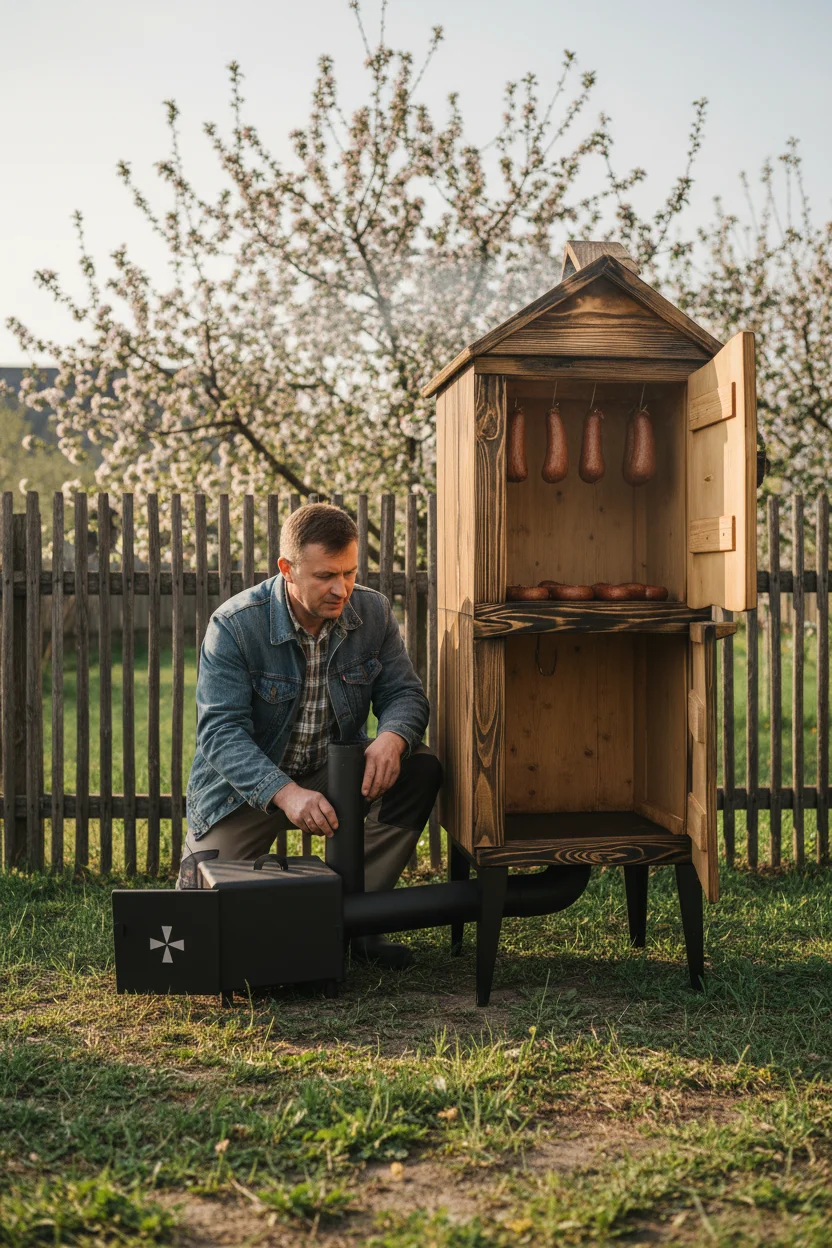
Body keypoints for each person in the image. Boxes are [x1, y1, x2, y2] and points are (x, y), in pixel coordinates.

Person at [177, 502, 443, 969]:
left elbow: (405, 693)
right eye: (325, 576)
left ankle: (356, 925)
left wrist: (393, 738)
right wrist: (285, 793)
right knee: (199, 922)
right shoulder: (235, 625)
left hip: (331, 771)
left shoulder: (373, 612)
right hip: (242, 792)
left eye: (350, 572)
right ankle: (319, 921)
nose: (341, 589)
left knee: (419, 767)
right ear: (287, 569)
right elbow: (220, 734)